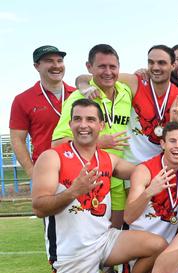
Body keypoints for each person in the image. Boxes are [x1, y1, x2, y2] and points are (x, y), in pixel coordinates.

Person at [31, 99, 166, 273]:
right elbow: (39, 207)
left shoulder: (108, 159)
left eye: (91, 119)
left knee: (158, 245)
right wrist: (74, 191)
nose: (84, 125)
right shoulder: (52, 157)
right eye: (78, 119)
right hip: (71, 251)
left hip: (104, 240)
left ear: (101, 125)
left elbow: (140, 172)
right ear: (70, 124)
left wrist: (175, 154)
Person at [51, 44, 133, 228]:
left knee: (116, 235)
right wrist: (98, 142)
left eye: (113, 67)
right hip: (88, 181)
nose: (108, 72)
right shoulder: (79, 98)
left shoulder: (125, 92)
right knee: (90, 239)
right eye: (102, 66)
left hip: (118, 178)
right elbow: (56, 143)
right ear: (90, 67)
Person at [76, 45, 178, 164]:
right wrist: (85, 87)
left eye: (161, 63)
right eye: (151, 62)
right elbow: (86, 77)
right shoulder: (135, 82)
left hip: (161, 164)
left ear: (172, 66)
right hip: (129, 166)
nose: (155, 67)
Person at [124, 122, 178, 244]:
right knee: (159, 245)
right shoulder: (144, 170)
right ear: (163, 144)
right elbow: (128, 218)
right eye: (172, 141)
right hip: (139, 241)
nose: (177, 146)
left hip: (168, 242)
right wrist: (149, 192)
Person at [10, 45, 75, 177]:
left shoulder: (78, 94)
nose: (56, 65)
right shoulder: (22, 100)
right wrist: (32, 172)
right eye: (49, 61)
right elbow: (17, 140)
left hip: (80, 166)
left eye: (59, 61)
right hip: (46, 170)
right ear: (37, 66)